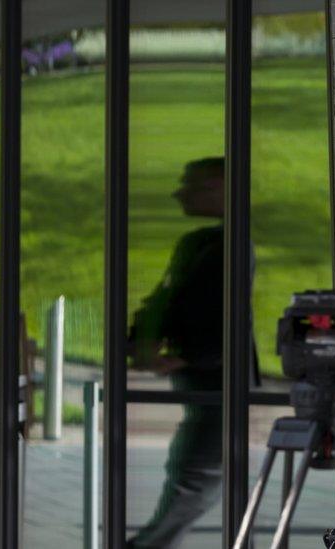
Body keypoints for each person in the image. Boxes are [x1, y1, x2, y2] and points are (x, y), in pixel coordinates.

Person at [127, 157, 257, 548]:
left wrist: (187, 356)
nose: (178, 192)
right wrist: (140, 338)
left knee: (196, 482)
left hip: (218, 386)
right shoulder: (199, 243)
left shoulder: (230, 246)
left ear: (218, 187)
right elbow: (167, 298)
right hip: (206, 386)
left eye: (190, 184)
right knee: (204, 480)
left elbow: (227, 318)